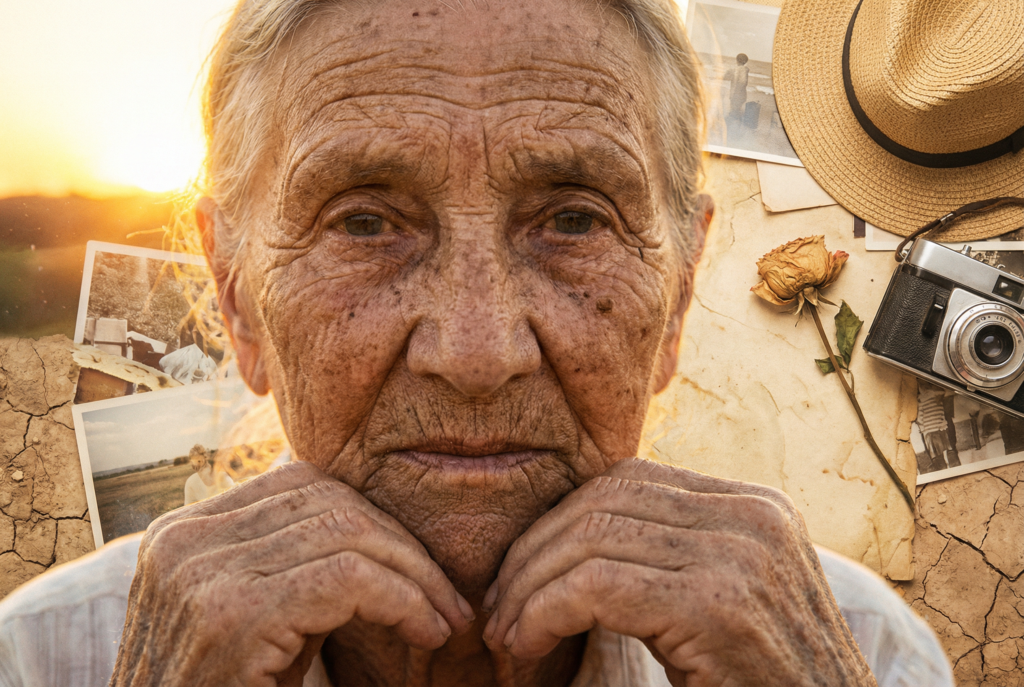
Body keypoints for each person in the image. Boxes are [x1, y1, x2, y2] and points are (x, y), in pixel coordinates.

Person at [0, 1, 953, 685]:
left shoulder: (863, 652)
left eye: (575, 221)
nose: (477, 349)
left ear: (679, 292)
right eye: (365, 223)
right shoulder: (41, 660)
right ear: (239, 298)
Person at [727, 53, 749, 119]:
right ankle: (736, 119)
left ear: (737, 61)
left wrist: (733, 94)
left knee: (734, 112)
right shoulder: (745, 70)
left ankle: (735, 121)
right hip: (742, 94)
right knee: (737, 110)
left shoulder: (738, 70)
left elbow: (740, 82)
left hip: (736, 95)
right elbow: (743, 82)